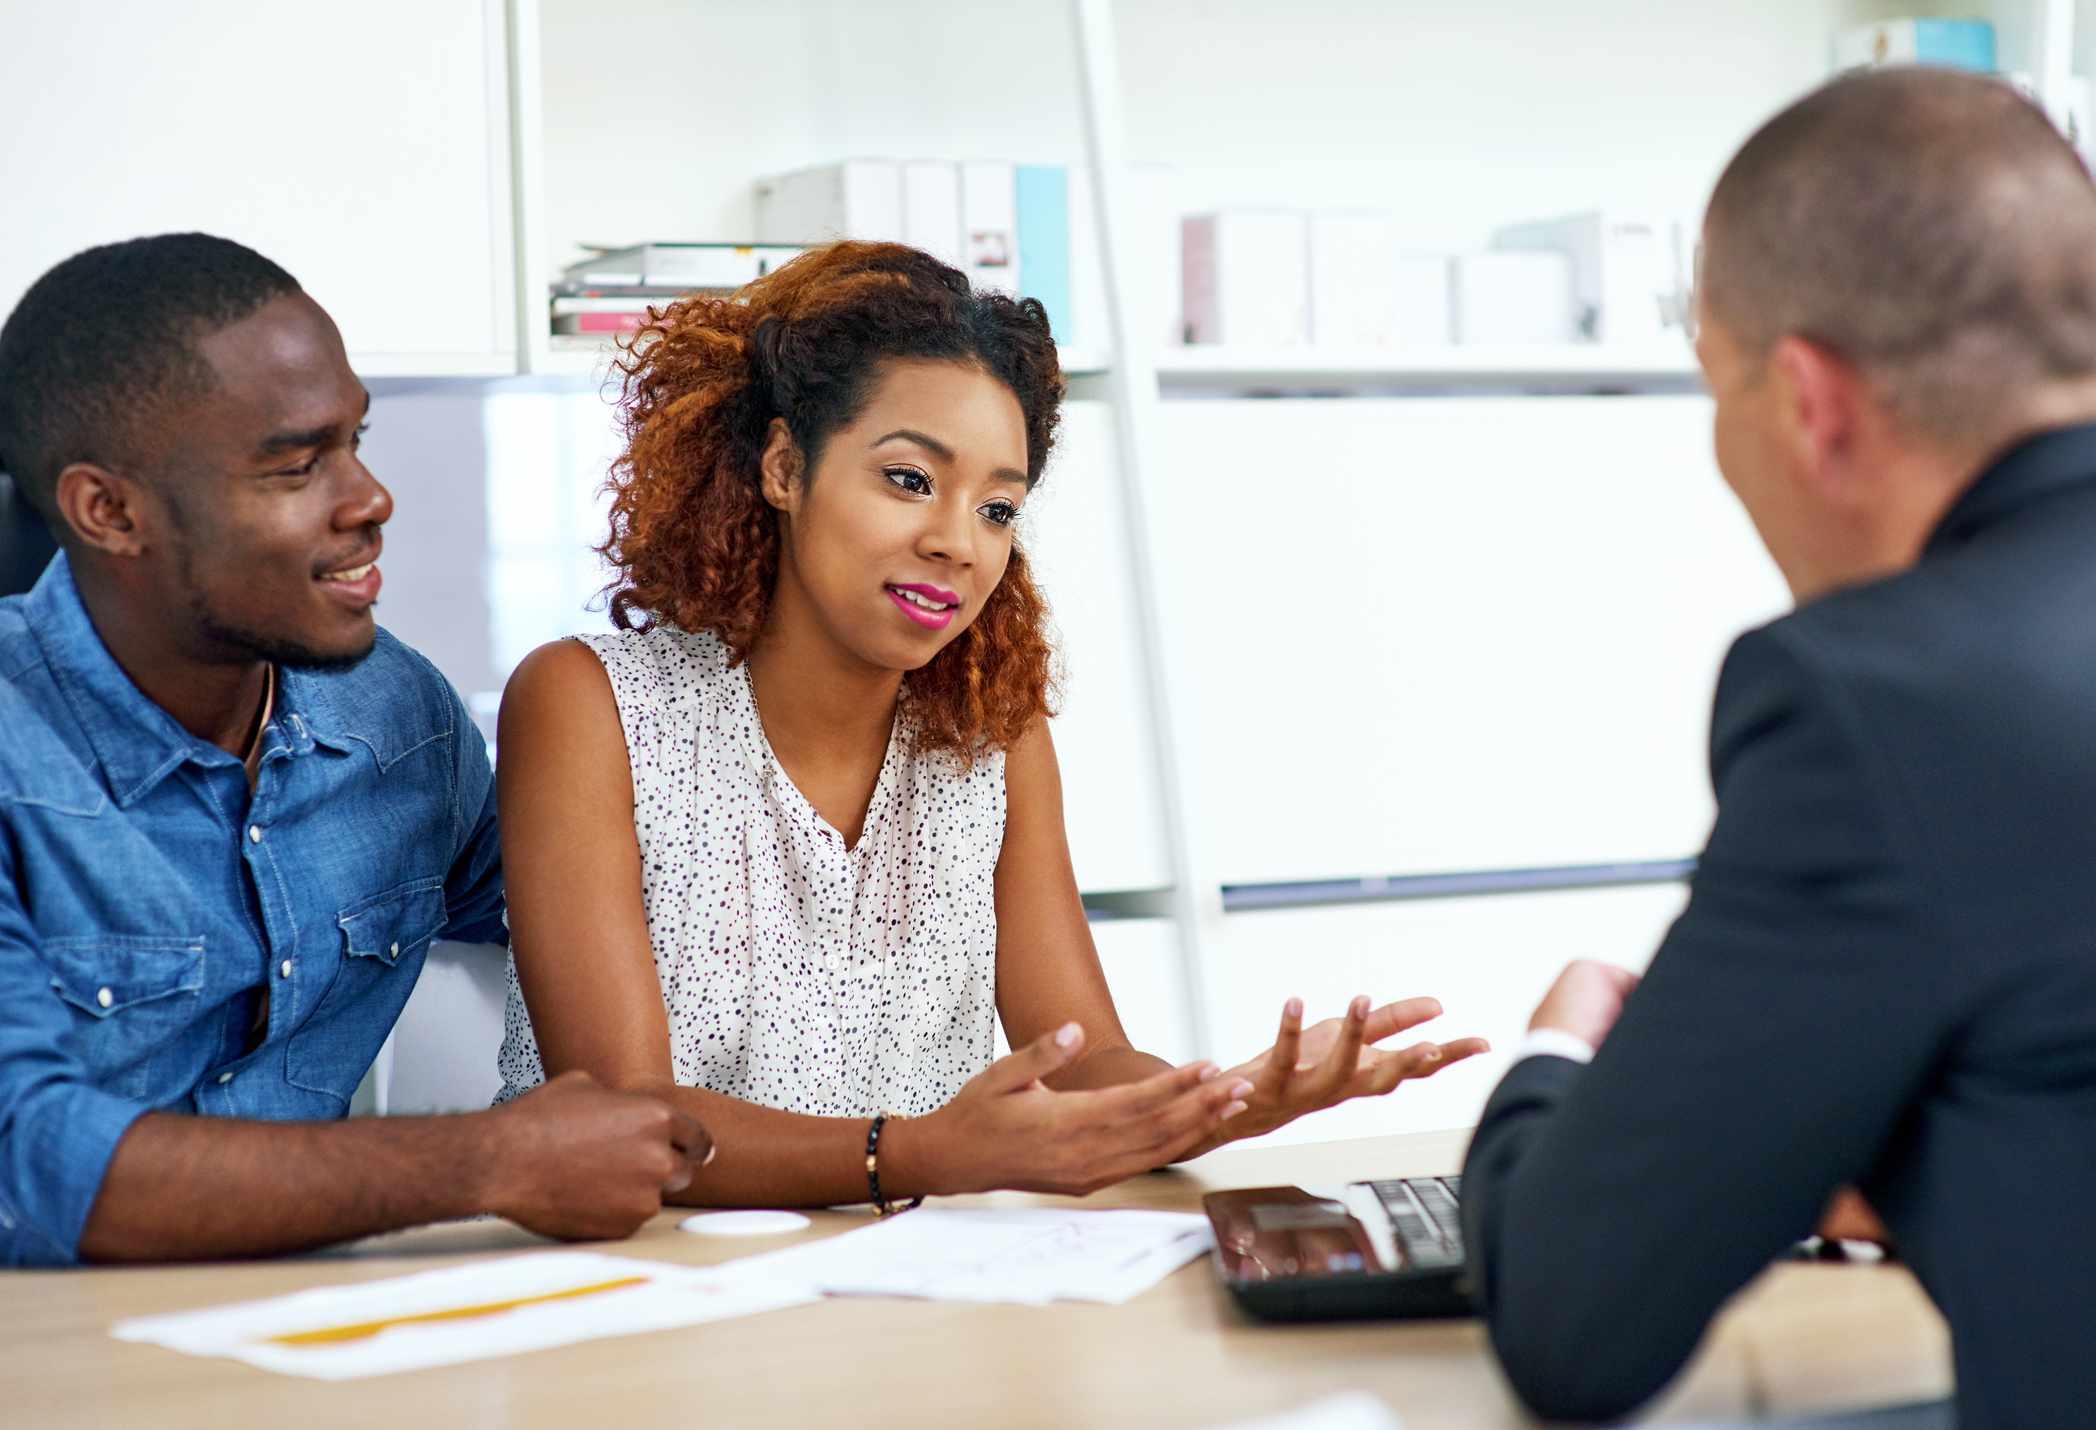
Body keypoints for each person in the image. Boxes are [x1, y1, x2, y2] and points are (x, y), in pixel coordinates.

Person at [496, 241, 1487, 1207]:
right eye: (909, 479)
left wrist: (1203, 1103)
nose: (955, 543)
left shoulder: (986, 736)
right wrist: (919, 1154)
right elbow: (623, 1124)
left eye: (997, 509)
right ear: (784, 467)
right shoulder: (586, 706)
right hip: (638, 1303)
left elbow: (1082, 1055)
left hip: (906, 1302)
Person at [1460, 68, 2096, 1429]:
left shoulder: (1885, 702)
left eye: (1714, 383)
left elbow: (1574, 1321)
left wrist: (1556, 1062)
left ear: (1807, 400)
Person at [0, 234, 710, 1266]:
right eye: (297, 464)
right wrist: (487, 1162)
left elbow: (588, 913)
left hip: (308, 1338)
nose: (369, 497)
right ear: (110, 512)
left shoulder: (396, 714)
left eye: (354, 440)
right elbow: (42, 1156)